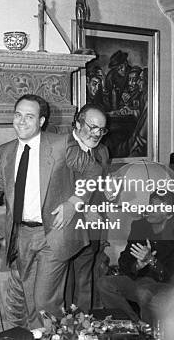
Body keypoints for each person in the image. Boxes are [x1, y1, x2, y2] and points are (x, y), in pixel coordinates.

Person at [0, 94, 97, 328]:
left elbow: (93, 171)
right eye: (18, 115)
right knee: (31, 304)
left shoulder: (60, 144)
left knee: (44, 302)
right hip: (22, 235)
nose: (22, 121)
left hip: (53, 234)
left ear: (42, 121)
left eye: (29, 116)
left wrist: (73, 202)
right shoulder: (6, 151)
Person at [97, 191, 174, 326]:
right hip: (138, 281)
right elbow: (123, 260)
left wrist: (151, 261)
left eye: (157, 207)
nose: (150, 209)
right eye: (150, 205)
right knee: (104, 283)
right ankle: (134, 324)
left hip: (165, 286)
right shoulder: (140, 227)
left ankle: (150, 332)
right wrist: (136, 266)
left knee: (144, 292)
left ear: (170, 214)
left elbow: (173, 276)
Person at [65, 104, 112, 312]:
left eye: (101, 130)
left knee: (85, 282)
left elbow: (100, 185)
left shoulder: (102, 151)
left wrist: (109, 191)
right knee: (65, 286)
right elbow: (57, 190)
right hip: (67, 228)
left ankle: (82, 329)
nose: (97, 134)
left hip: (93, 228)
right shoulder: (62, 147)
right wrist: (83, 209)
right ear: (77, 123)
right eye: (92, 127)